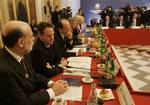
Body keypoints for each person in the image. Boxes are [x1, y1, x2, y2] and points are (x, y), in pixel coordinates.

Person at [0, 20, 68, 105]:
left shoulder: (23, 53)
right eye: (32, 36)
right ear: (21, 42)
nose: (34, 38)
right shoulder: (3, 71)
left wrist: (51, 83)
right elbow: (23, 102)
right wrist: (53, 91)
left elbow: (33, 75)